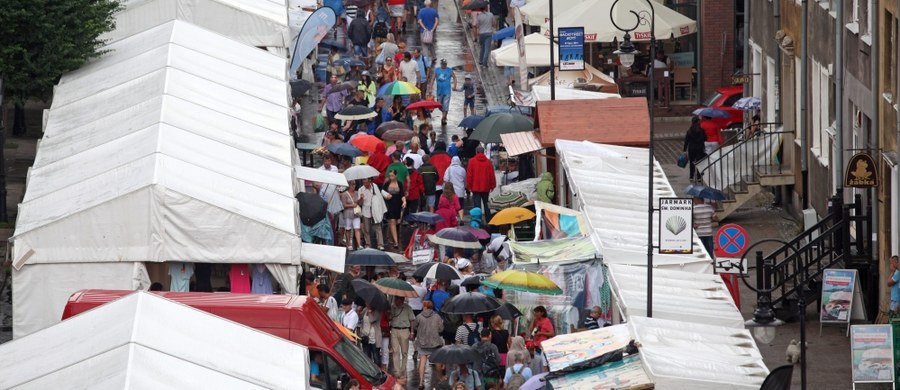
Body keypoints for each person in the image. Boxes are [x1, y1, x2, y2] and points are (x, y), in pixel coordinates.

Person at [414, 300, 445, 388]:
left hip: (422, 342)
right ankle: (440, 378)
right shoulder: (437, 316)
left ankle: (421, 382)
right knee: (437, 362)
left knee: (422, 362)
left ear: (425, 306)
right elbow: (441, 329)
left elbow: (415, 327)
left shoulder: (419, 316)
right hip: (435, 342)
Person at [466, 146, 496, 223]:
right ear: (483, 152)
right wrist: (493, 185)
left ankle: (477, 222)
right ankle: (489, 221)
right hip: (486, 187)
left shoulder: (472, 161)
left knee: (477, 206)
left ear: (476, 152)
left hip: (475, 187)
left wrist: (468, 186)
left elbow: (469, 175)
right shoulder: (488, 162)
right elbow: (491, 174)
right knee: (487, 205)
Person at [390, 296, 416, 377]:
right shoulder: (392, 307)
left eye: (398, 299)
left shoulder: (407, 308)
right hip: (394, 330)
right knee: (395, 351)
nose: (396, 300)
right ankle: (397, 371)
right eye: (395, 299)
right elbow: (389, 318)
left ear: (402, 299)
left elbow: (412, 320)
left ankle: (403, 370)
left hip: (404, 330)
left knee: (404, 352)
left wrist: (412, 332)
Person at [359, 177, 387, 250]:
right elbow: (360, 203)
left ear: (369, 180)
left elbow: (379, 198)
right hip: (366, 211)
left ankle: (380, 244)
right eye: (363, 181)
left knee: (378, 227)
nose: (364, 183)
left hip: (375, 210)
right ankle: (368, 244)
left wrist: (380, 209)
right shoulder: (360, 189)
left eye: (365, 181)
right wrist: (361, 198)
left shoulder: (375, 186)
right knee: (367, 229)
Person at [382, 170, 406, 250]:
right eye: (390, 176)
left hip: (398, 205)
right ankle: (396, 241)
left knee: (397, 222)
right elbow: (382, 192)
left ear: (396, 175)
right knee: (392, 221)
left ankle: (392, 237)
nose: (391, 177)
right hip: (390, 205)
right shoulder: (387, 184)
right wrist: (386, 196)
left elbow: (402, 194)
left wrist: (404, 201)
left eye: (392, 175)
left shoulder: (399, 184)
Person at [527, 306, 554, 373]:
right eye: (535, 312)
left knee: (542, 363)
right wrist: (533, 320)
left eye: (537, 312)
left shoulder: (547, 321)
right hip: (535, 345)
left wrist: (541, 333)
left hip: (542, 346)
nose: (535, 314)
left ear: (542, 313)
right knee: (536, 363)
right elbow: (530, 330)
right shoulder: (536, 321)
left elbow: (552, 333)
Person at [683, 116, 708, 183]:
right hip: (699, 148)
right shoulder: (701, 130)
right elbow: (705, 138)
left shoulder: (689, 131)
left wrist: (684, 150)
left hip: (691, 148)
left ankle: (691, 176)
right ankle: (699, 177)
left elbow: (686, 141)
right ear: (698, 122)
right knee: (699, 162)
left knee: (692, 162)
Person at [434, 59, 458, 125]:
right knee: (439, 105)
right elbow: (433, 78)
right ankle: (444, 114)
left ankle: (444, 117)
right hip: (439, 91)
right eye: (443, 64)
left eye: (445, 64)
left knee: (446, 105)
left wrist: (454, 86)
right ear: (441, 64)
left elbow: (454, 78)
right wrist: (430, 88)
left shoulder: (449, 70)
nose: (444, 65)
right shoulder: (437, 70)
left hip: (447, 91)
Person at [340, 182, 362, 251]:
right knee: (348, 229)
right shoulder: (344, 194)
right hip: (347, 214)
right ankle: (349, 244)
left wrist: (361, 198)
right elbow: (343, 205)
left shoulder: (357, 192)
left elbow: (360, 203)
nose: (353, 186)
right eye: (352, 184)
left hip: (356, 213)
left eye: (354, 184)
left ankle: (359, 245)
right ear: (348, 185)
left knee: (357, 228)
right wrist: (351, 205)